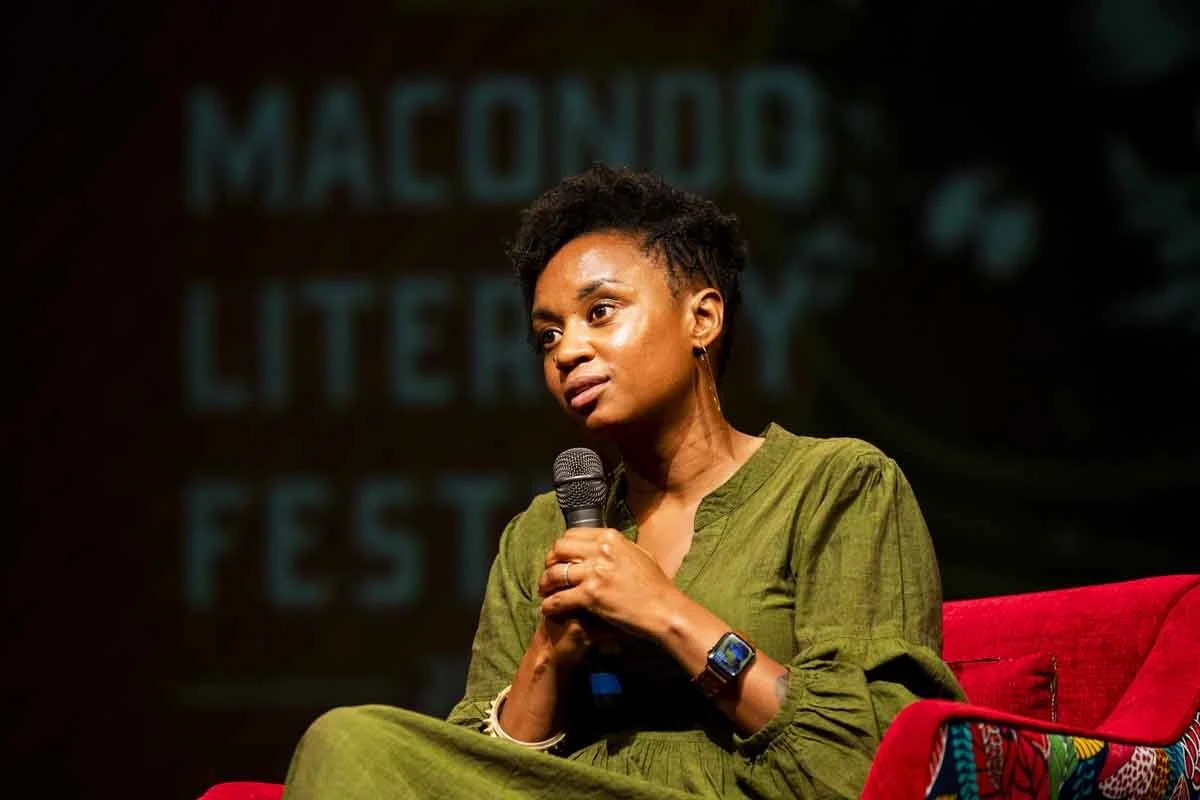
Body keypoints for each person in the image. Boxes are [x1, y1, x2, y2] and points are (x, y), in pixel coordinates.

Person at [283, 164, 965, 799]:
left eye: (600, 311)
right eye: (547, 336)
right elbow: (473, 772)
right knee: (351, 742)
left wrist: (665, 613)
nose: (568, 350)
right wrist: (550, 654)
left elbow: (866, 764)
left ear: (702, 317)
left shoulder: (836, 485)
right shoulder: (541, 534)